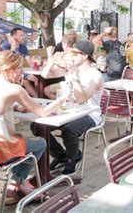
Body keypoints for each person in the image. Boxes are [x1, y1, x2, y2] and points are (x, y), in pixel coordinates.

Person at [0, 50, 66, 203]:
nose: (23, 72)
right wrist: (62, 98)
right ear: (7, 70)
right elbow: (43, 112)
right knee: (40, 143)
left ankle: (18, 184)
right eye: (19, 68)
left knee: (19, 138)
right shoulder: (15, 89)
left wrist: (14, 108)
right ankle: (18, 183)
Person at [43, 41, 104, 174]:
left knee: (69, 131)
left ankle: (72, 159)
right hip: (69, 111)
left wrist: (74, 75)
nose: (71, 55)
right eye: (71, 53)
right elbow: (45, 75)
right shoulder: (69, 68)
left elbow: (82, 99)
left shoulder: (95, 75)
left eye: (74, 53)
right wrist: (51, 58)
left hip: (90, 114)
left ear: (85, 56)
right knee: (38, 127)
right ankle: (61, 155)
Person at [1, 28, 38, 97]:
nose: (23, 37)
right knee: (26, 82)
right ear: (14, 37)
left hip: (20, 72)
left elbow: (29, 62)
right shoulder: (5, 46)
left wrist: (34, 63)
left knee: (36, 79)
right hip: (9, 72)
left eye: (23, 35)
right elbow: (9, 60)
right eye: (21, 35)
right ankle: (35, 99)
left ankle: (37, 98)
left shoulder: (23, 47)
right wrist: (13, 45)